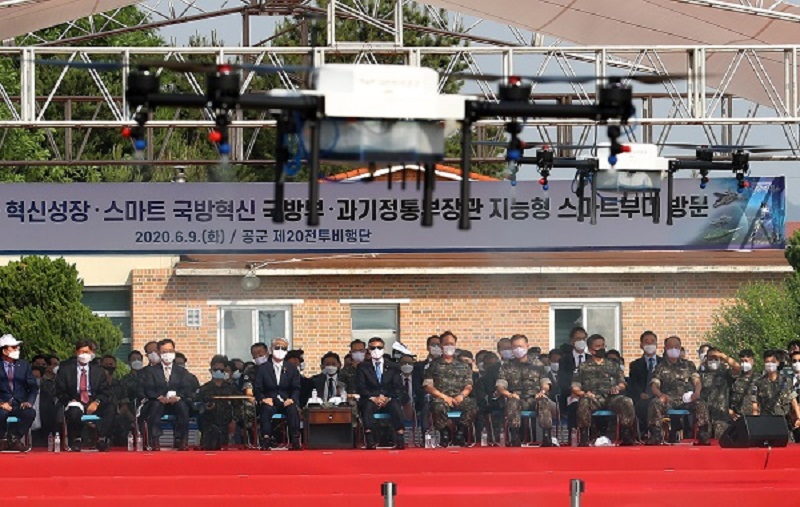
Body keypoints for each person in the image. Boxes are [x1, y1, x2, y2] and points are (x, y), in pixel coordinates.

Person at [571, 334, 636, 446]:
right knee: (584, 402)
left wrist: (618, 387)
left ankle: (626, 433)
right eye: (598, 346)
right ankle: (585, 436)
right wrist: (584, 394)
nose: (601, 348)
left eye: (603, 345)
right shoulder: (583, 367)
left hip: (612, 397)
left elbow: (623, 383)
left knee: (626, 401)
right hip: (593, 397)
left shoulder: (613, 365)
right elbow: (575, 388)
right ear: (591, 350)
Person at [646, 335, 711, 445]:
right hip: (669, 399)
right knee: (655, 403)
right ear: (665, 348)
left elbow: (697, 381)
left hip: (687, 398)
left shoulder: (688, 365)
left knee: (701, 403)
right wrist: (661, 395)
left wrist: (697, 393)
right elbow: (654, 385)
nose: (674, 349)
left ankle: (703, 435)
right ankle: (655, 435)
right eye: (671, 347)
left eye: (676, 347)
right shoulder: (660, 366)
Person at [495, 334, 557, 447]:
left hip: (535, 397)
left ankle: (546, 436)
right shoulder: (507, 366)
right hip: (516, 398)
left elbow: (545, 382)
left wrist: (542, 392)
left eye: (521, 346)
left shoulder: (538, 364)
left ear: (527, 346)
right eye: (515, 347)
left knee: (543, 401)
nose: (518, 349)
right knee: (512, 403)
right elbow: (500, 385)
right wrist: (509, 394)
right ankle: (515, 436)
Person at [55, 340, 114, 451]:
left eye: (86, 352)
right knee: (74, 412)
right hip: (74, 400)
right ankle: (76, 439)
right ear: (76, 352)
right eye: (81, 352)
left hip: (93, 400)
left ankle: (102, 438)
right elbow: (59, 390)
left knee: (111, 408)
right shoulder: (65, 370)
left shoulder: (98, 371)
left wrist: (97, 402)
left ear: (91, 353)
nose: (84, 355)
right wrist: (70, 400)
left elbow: (105, 391)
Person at [423, 331, 477, 447]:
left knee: (472, 405)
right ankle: (444, 433)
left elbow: (468, 385)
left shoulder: (463, 365)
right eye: (446, 344)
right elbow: (428, 386)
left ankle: (460, 432)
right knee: (437, 406)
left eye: (452, 344)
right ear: (441, 345)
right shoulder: (434, 365)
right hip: (441, 398)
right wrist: (444, 397)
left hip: (459, 397)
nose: (449, 347)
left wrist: (462, 396)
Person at [142, 339, 195, 450]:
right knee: (155, 406)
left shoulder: (182, 371)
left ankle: (181, 440)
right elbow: (148, 388)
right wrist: (159, 397)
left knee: (183, 406)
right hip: (158, 402)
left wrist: (178, 397)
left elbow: (187, 389)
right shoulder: (151, 371)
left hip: (176, 402)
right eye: (165, 351)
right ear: (159, 353)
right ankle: (155, 440)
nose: (168, 354)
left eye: (170, 351)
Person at [356, 336, 405, 449]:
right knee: (367, 407)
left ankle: (400, 436)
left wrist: (387, 397)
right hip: (371, 398)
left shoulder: (393, 366)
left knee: (396, 406)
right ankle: (370, 439)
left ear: (383, 349)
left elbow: (398, 387)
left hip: (388, 398)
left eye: (379, 347)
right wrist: (373, 397)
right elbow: (361, 386)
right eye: (373, 348)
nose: (376, 350)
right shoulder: (363, 367)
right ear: (368, 350)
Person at [254, 337, 302, 450]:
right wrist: (263, 399)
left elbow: (296, 388)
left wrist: (292, 399)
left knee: (292, 409)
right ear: (271, 349)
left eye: (283, 348)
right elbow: (257, 388)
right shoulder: (263, 368)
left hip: (286, 400)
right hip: (270, 400)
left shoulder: (292, 368)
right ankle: (266, 439)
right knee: (266, 409)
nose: (280, 350)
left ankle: (295, 440)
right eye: (277, 347)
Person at [0, 334, 38, 451]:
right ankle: (2, 440)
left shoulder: (24, 365)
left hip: (19, 403)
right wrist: (1, 403)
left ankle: (15, 438)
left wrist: (29, 401)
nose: (17, 349)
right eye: (14, 347)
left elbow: (33, 387)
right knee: (1, 414)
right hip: (2, 404)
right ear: (4, 350)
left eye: (18, 347)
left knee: (29, 413)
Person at [753, 349, 800, 440]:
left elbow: (793, 400)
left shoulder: (787, 381)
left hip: (784, 423)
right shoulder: (758, 383)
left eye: (773, 362)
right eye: (767, 362)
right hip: (766, 424)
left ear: (778, 363)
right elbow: (755, 405)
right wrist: (755, 424)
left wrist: (799, 417)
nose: (770, 364)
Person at [198, 355, 241, 450]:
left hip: (228, 425)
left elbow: (238, 405)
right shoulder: (204, 389)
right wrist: (205, 408)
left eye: (221, 370)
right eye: (215, 369)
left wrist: (234, 421)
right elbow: (197, 406)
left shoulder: (231, 389)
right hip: (209, 425)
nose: (218, 372)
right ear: (210, 370)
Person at [699, 346, 740, 439]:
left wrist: (722, 356)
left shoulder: (725, 373)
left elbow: (738, 368)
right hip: (705, 417)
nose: (713, 361)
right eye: (710, 359)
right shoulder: (701, 373)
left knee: (720, 443)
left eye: (715, 358)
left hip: (721, 416)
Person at [628, 330, 662, 438]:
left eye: (652, 341)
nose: (650, 344)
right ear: (641, 345)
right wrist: (640, 394)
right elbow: (633, 384)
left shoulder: (664, 362)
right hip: (643, 397)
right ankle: (644, 433)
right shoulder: (635, 365)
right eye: (646, 342)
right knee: (642, 405)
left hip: (660, 396)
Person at [558, 326, 589, 432]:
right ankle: (574, 434)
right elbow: (562, 381)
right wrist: (574, 391)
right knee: (574, 404)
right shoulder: (564, 360)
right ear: (572, 341)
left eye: (583, 339)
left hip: (589, 394)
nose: (581, 341)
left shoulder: (590, 359)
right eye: (578, 339)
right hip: (571, 394)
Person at [412, 335, 441, 433]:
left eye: (439, 345)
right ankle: (426, 435)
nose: (436, 347)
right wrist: (427, 394)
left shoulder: (448, 365)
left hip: (444, 398)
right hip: (425, 398)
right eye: (433, 345)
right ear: (428, 347)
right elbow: (416, 386)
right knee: (426, 405)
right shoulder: (419, 366)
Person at [729, 349, 757, 421]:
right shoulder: (735, 379)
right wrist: (730, 411)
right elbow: (727, 396)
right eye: (742, 361)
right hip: (738, 418)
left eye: (746, 361)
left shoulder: (760, 379)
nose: (744, 363)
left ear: (753, 361)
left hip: (755, 418)